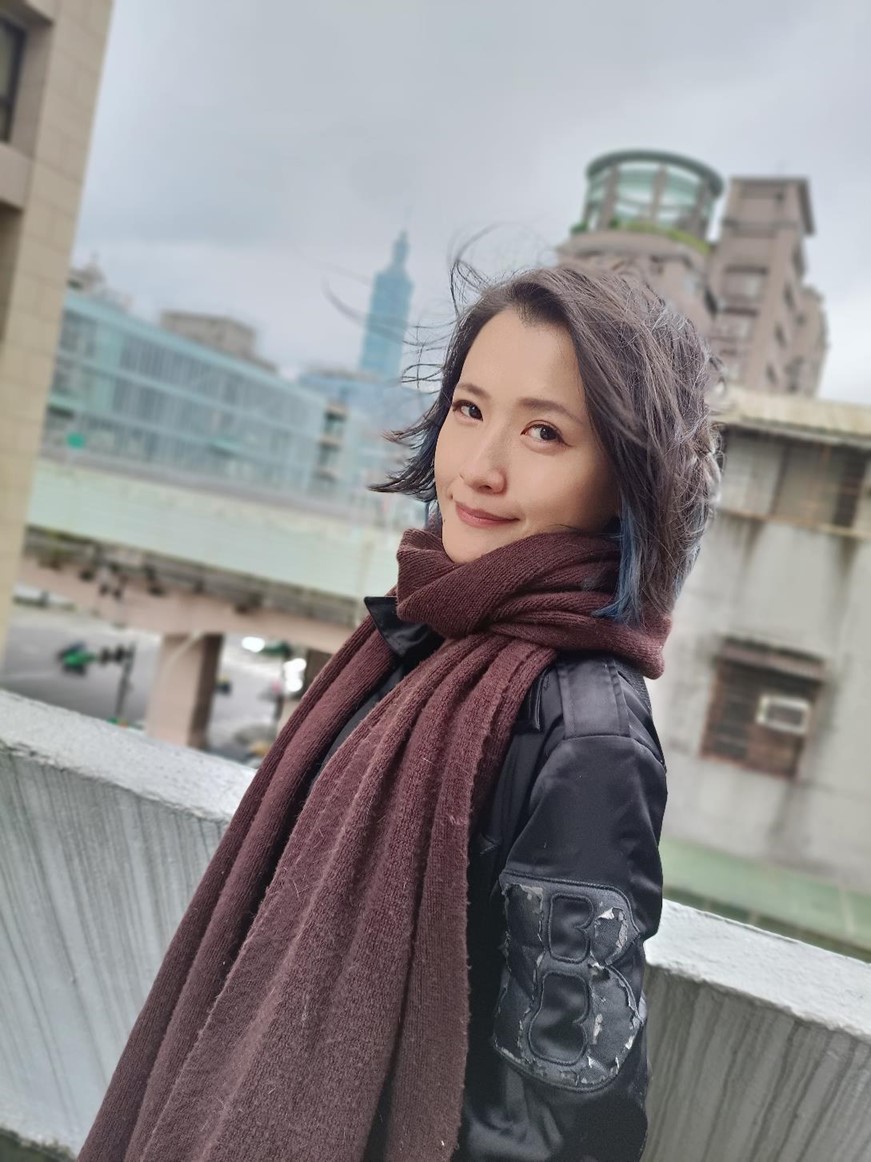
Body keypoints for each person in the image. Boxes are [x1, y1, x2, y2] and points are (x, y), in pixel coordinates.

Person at [77, 264, 722, 1162]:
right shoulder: (422, 628)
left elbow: (560, 1110)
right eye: (469, 409)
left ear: (624, 477)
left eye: (543, 432)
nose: (480, 469)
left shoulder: (588, 732)